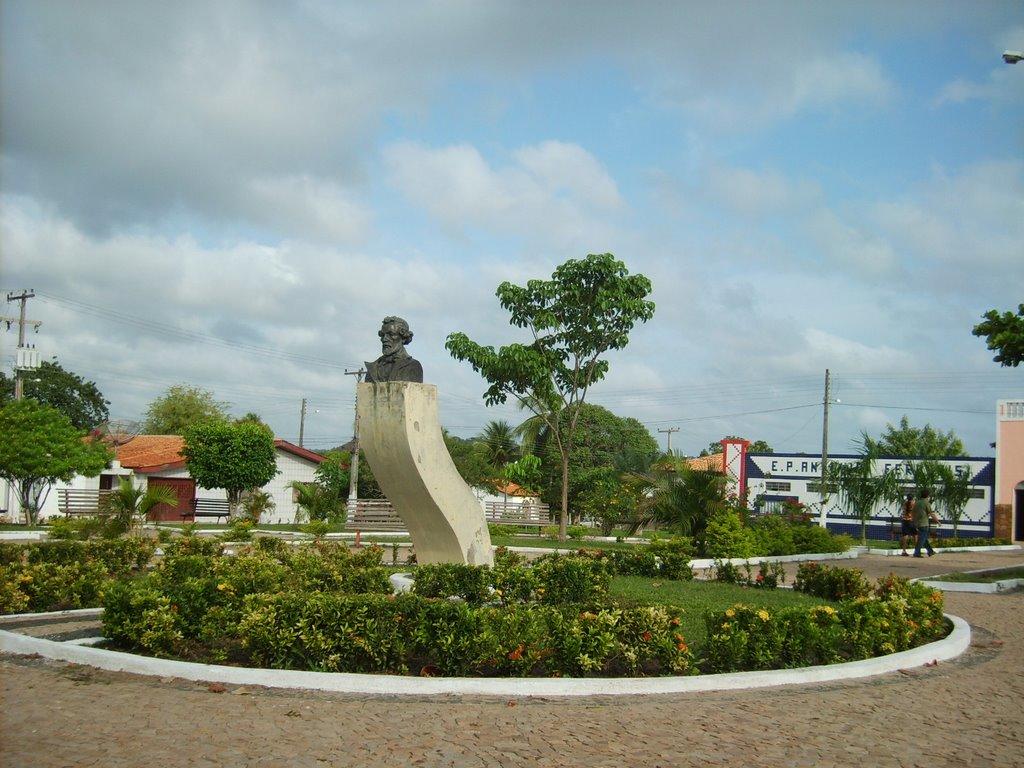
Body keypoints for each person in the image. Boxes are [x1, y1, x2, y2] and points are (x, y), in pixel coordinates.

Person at [364, 316, 424, 383]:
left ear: (403, 338)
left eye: (391, 334)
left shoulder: (413, 366)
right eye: (383, 335)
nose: (385, 339)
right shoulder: (372, 368)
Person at [912, 489, 937, 558]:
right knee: (922, 539)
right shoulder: (926, 503)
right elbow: (931, 513)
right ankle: (916, 553)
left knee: (924, 538)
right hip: (924, 524)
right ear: (928, 496)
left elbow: (913, 513)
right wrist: (937, 521)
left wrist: (914, 521)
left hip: (918, 524)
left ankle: (930, 551)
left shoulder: (916, 503)